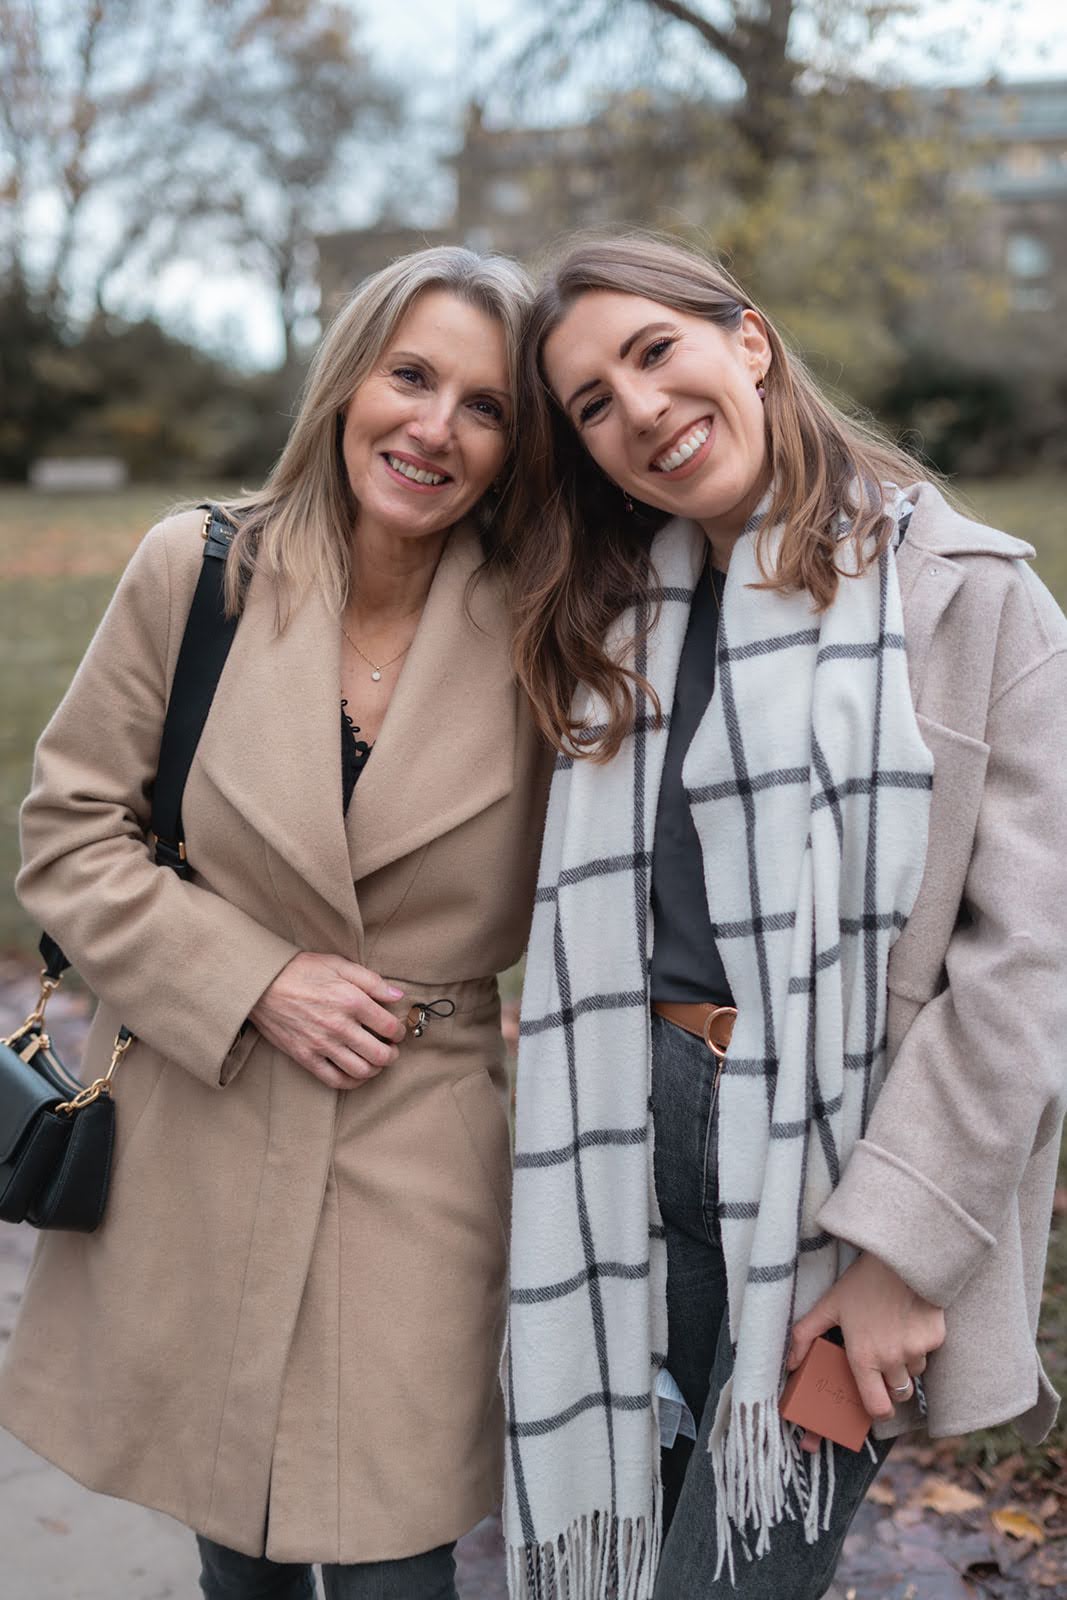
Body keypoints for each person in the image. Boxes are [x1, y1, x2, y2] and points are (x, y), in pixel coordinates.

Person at [501, 233, 1067, 1600]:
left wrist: (902, 1251)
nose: (641, 410)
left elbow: (1033, 965)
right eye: (593, 403)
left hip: (840, 1181)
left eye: (656, 353)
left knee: (726, 1579)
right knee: (627, 1561)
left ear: (747, 341)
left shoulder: (967, 598)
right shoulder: (613, 618)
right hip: (630, 1148)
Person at [2, 246, 551, 1600]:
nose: (435, 426)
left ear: (516, 443)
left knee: (396, 1568)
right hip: (199, 1118)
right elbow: (70, 837)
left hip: (418, 1137)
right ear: (349, 381)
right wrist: (253, 978)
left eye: (484, 405)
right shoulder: (200, 572)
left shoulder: (552, 623)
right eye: (410, 376)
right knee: (235, 1553)